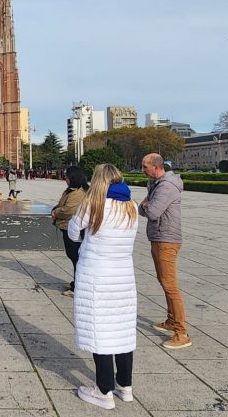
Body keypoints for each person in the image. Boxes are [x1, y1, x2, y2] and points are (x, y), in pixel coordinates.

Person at [68, 163, 138, 410]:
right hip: (123, 278)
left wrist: (85, 236)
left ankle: (104, 390)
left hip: (96, 276)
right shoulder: (131, 206)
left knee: (100, 331)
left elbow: (73, 232)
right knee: (122, 331)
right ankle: (125, 386)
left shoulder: (93, 204)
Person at [139, 153, 191, 350]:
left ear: (156, 167)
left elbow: (151, 212)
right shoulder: (155, 185)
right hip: (158, 237)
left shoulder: (166, 186)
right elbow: (142, 209)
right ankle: (171, 321)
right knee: (164, 281)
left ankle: (181, 332)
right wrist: (147, 204)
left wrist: (147, 204)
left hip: (166, 239)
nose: (143, 170)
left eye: (145, 167)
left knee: (170, 285)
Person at [51, 166, 89, 297]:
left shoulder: (77, 192)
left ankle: (78, 286)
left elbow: (69, 210)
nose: (65, 179)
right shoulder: (72, 190)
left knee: (76, 257)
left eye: (67, 176)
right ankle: (77, 282)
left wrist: (56, 212)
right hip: (67, 227)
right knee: (74, 257)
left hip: (72, 228)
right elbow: (62, 205)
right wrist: (55, 208)